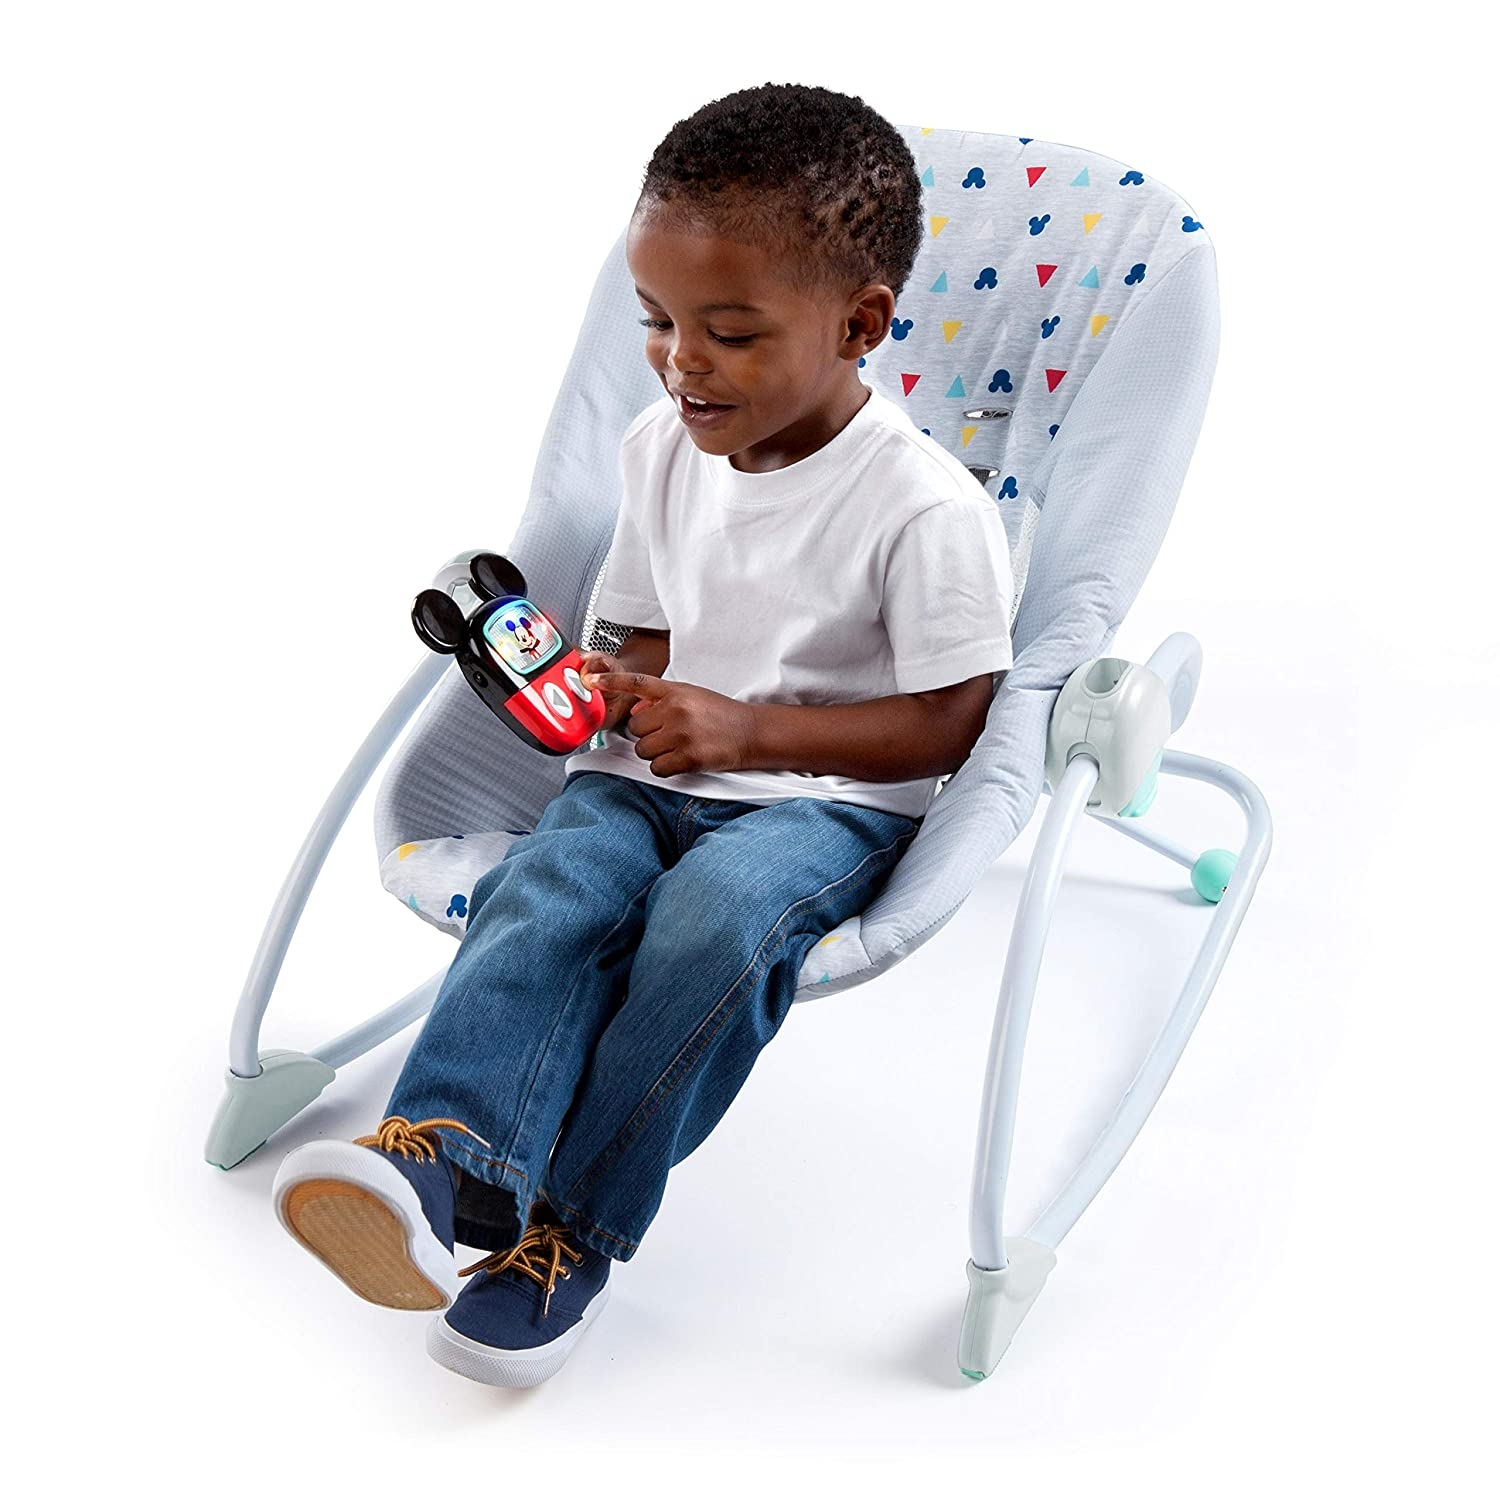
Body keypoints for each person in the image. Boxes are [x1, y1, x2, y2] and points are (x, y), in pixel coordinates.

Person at [270, 81, 1015, 1388]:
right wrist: (609, 687)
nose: (681, 363)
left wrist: (750, 729)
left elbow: (954, 723)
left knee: (712, 919)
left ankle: (571, 1231)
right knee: (550, 883)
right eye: (658, 322)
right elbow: (642, 628)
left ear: (860, 325)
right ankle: (446, 1163)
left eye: (728, 333)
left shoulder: (924, 507)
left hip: (826, 805)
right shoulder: (658, 448)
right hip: (651, 775)